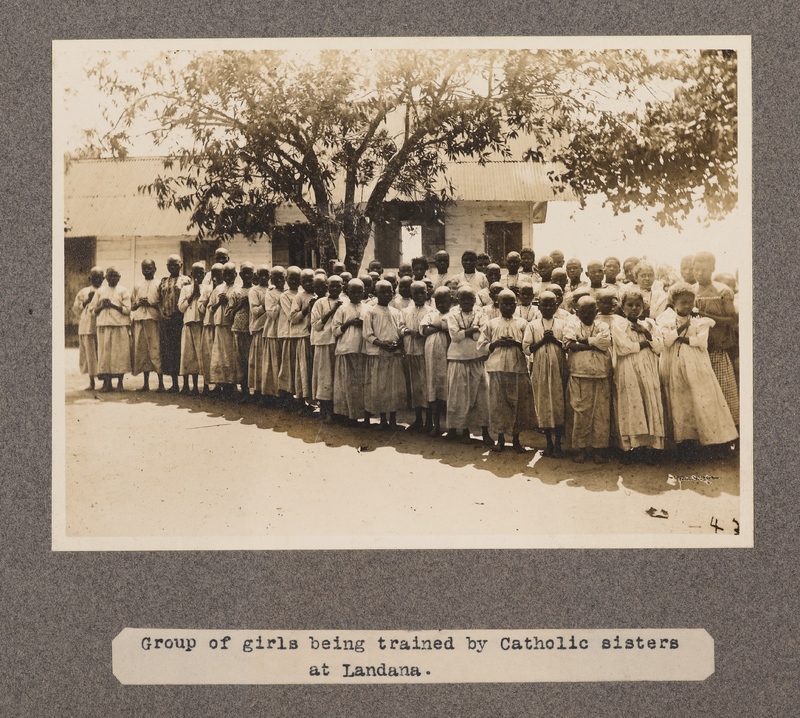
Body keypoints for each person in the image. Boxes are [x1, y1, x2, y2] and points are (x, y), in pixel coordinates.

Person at [656, 283, 738, 451]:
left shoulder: (700, 321)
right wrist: (682, 330)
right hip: (672, 363)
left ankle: (701, 440)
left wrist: (679, 335)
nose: (687, 306)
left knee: (698, 398)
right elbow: (665, 341)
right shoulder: (665, 319)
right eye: (683, 302)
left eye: (690, 302)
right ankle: (682, 441)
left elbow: (700, 342)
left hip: (695, 363)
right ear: (674, 303)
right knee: (678, 400)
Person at [612, 289, 665, 464]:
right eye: (630, 305)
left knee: (649, 401)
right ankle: (630, 448)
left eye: (638, 305)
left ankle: (650, 448)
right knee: (632, 402)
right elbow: (624, 348)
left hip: (648, 367)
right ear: (622, 306)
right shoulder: (618, 324)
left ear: (643, 307)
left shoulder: (649, 323)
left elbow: (659, 347)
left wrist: (646, 333)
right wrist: (645, 343)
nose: (634, 308)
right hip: (628, 368)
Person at [478, 289, 534, 453]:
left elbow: (528, 347)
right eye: (505, 303)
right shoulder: (491, 323)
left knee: (517, 405)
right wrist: (497, 343)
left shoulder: (523, 323)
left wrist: (516, 343)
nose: (508, 307)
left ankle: (516, 440)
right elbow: (482, 346)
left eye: (512, 304)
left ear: (516, 305)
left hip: (517, 370)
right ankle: (500, 439)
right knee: (499, 405)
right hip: (498, 369)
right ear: (498, 304)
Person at [692, 251, 739, 427]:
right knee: (703, 394)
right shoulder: (691, 291)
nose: (699, 273)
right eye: (696, 269)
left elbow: (731, 320)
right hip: (698, 350)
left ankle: (729, 435)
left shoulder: (722, 291)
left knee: (723, 393)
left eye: (704, 270)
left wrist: (705, 315)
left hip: (717, 349)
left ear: (712, 269)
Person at [563, 296, 612, 464]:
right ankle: (581, 449)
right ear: (577, 312)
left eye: (591, 311)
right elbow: (570, 344)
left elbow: (606, 343)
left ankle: (598, 450)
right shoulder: (571, 324)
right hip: (579, 374)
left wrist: (584, 341)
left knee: (600, 414)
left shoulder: (603, 325)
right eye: (583, 311)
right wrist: (594, 344)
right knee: (580, 412)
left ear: (596, 312)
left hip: (600, 375)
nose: (587, 314)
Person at [445, 286, 493, 446]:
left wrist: (466, 332)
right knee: (459, 397)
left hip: (477, 359)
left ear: (475, 299)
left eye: (470, 299)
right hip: (458, 359)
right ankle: (463, 430)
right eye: (463, 299)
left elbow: (482, 335)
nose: (466, 302)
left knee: (482, 398)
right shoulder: (452, 314)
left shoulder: (481, 314)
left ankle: (485, 431)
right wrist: (471, 331)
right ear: (457, 299)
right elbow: (454, 336)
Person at [523, 290, 568, 458]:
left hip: (558, 369)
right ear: (538, 306)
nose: (548, 307)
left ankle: (558, 444)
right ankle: (548, 443)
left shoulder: (563, 324)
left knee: (558, 404)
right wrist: (543, 340)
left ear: (557, 305)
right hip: (540, 369)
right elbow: (527, 349)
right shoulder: (533, 325)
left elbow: (568, 345)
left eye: (552, 304)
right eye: (544, 304)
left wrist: (555, 340)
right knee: (543, 405)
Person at [362, 280, 405, 430]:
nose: (387, 295)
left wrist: (398, 344)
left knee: (393, 387)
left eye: (390, 292)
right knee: (380, 387)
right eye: (383, 292)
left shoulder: (396, 312)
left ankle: (393, 420)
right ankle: (383, 420)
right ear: (376, 294)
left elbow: (401, 331)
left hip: (394, 355)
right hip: (378, 354)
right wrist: (382, 344)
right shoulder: (371, 311)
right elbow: (367, 333)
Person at [331, 278, 368, 424]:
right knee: (347, 383)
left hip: (362, 350)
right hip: (346, 350)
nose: (357, 294)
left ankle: (362, 415)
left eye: (360, 291)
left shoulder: (368, 308)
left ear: (364, 292)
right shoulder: (342, 309)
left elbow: (371, 328)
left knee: (360, 384)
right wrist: (349, 323)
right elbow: (335, 330)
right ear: (347, 292)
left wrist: (363, 324)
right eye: (353, 291)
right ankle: (346, 415)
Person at [90, 266, 131, 392]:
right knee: (105, 355)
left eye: (115, 276)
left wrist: (113, 305)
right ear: (106, 277)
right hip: (104, 326)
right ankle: (107, 383)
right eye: (110, 276)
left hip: (120, 326)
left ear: (119, 277)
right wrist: (102, 307)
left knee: (119, 355)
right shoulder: (100, 291)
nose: (113, 278)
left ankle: (120, 383)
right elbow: (92, 311)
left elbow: (128, 310)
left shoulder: (124, 291)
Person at [310, 274, 343, 422]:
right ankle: (325, 410)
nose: (335, 288)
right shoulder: (320, 303)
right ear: (327, 287)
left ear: (342, 287)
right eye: (332, 286)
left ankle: (339, 412)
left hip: (340, 344)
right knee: (325, 378)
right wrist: (332, 310)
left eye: (338, 286)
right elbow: (316, 325)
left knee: (338, 378)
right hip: (324, 344)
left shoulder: (346, 302)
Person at [401, 281, 434, 432]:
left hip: (425, 353)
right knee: (415, 386)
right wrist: (408, 331)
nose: (420, 296)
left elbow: (432, 329)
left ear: (427, 293)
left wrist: (421, 333)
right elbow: (400, 326)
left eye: (423, 293)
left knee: (426, 386)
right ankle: (418, 418)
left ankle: (429, 421)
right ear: (411, 295)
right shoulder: (406, 311)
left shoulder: (431, 311)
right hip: (410, 351)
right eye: (416, 293)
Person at [420, 286, 452, 437]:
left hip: (448, 355)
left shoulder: (454, 314)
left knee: (448, 389)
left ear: (451, 300)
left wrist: (437, 327)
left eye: (444, 301)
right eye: (438, 302)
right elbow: (424, 330)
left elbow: (451, 327)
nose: (441, 305)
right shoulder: (431, 314)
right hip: (432, 356)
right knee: (433, 388)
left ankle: (451, 427)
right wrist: (440, 327)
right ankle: (436, 425)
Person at [158, 255, 191, 392]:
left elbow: (189, 298)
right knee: (170, 351)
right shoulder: (163, 281)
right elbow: (159, 300)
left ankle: (186, 384)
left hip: (180, 319)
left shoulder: (186, 280)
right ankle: (174, 384)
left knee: (182, 350)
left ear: (181, 265)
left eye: (175, 265)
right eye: (170, 265)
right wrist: (162, 314)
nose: (172, 267)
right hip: (167, 320)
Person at [130, 259, 163, 391]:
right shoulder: (137, 285)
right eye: (144, 268)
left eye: (149, 268)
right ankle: (146, 383)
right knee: (143, 352)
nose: (147, 271)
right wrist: (139, 304)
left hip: (153, 321)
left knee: (156, 350)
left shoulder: (159, 284)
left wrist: (150, 304)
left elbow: (162, 304)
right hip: (140, 321)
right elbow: (131, 306)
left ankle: (161, 384)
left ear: (155, 269)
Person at [208, 262, 239, 399]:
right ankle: (222, 385)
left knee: (232, 356)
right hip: (220, 326)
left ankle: (233, 385)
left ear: (236, 275)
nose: (228, 277)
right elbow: (210, 309)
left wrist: (227, 302)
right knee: (220, 356)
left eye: (230, 274)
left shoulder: (238, 289)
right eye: (225, 274)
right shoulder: (217, 289)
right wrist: (219, 302)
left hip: (232, 326)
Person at [288, 268, 317, 412]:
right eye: (304, 281)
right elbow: (293, 318)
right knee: (303, 370)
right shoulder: (299, 297)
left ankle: (312, 400)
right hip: (303, 337)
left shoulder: (319, 295)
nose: (308, 284)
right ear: (300, 282)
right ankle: (300, 401)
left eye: (311, 280)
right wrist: (306, 309)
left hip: (315, 338)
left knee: (313, 370)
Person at [72, 266, 104, 391]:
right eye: (94, 278)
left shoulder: (106, 290)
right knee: (90, 355)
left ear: (104, 278)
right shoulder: (83, 292)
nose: (97, 280)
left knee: (102, 353)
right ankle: (92, 382)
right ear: (89, 278)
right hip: (87, 326)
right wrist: (86, 302)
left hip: (101, 325)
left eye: (100, 278)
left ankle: (106, 381)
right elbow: (76, 309)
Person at [177, 262, 206, 395]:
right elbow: (181, 308)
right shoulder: (185, 289)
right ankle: (187, 385)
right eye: (196, 273)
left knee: (201, 355)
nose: (198, 275)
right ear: (191, 274)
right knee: (188, 356)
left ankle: (204, 385)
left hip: (201, 325)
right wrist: (192, 295)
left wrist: (199, 294)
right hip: (188, 324)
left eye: (201, 272)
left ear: (204, 274)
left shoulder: (207, 288)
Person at [229, 261, 254, 400]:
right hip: (239, 329)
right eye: (245, 273)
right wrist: (240, 305)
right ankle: (244, 391)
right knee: (241, 361)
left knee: (253, 361)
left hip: (253, 331)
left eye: (250, 273)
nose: (248, 275)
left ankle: (254, 392)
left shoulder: (256, 290)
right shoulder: (236, 291)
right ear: (240, 274)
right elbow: (229, 314)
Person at [277, 266, 301, 407]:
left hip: (300, 335)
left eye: (297, 278)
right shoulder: (284, 296)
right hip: (288, 334)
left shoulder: (302, 293)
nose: (294, 281)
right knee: (288, 366)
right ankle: (288, 398)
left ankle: (298, 398)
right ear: (286, 279)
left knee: (298, 367)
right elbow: (291, 316)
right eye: (291, 278)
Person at [260, 266, 285, 404]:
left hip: (285, 332)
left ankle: (283, 393)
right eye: (276, 278)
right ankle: (273, 395)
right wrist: (282, 301)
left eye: (282, 277)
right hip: (273, 332)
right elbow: (272, 314)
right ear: (272, 279)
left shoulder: (289, 292)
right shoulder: (270, 294)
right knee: (273, 365)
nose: (280, 280)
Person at [246, 265, 270, 404]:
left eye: (266, 275)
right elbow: (255, 311)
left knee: (269, 363)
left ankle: (269, 393)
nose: (264, 278)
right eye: (261, 275)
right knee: (259, 362)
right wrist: (268, 302)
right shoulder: (254, 291)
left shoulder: (273, 289)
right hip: (260, 330)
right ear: (256, 276)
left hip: (272, 331)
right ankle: (258, 392)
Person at [199, 263, 222, 394]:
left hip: (220, 326)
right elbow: (201, 309)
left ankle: (221, 385)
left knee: (220, 356)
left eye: (219, 275)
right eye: (214, 275)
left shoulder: (225, 288)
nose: (216, 278)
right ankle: (207, 385)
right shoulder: (206, 289)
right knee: (207, 355)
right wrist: (209, 298)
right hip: (209, 325)